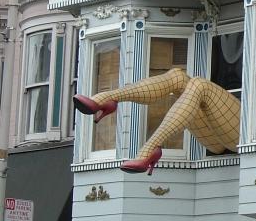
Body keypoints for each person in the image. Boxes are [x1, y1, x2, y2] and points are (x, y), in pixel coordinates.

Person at [73, 68, 240, 174]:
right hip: (216, 137)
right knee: (178, 76)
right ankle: (107, 98)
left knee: (199, 85)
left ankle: (150, 147)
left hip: (241, 135)